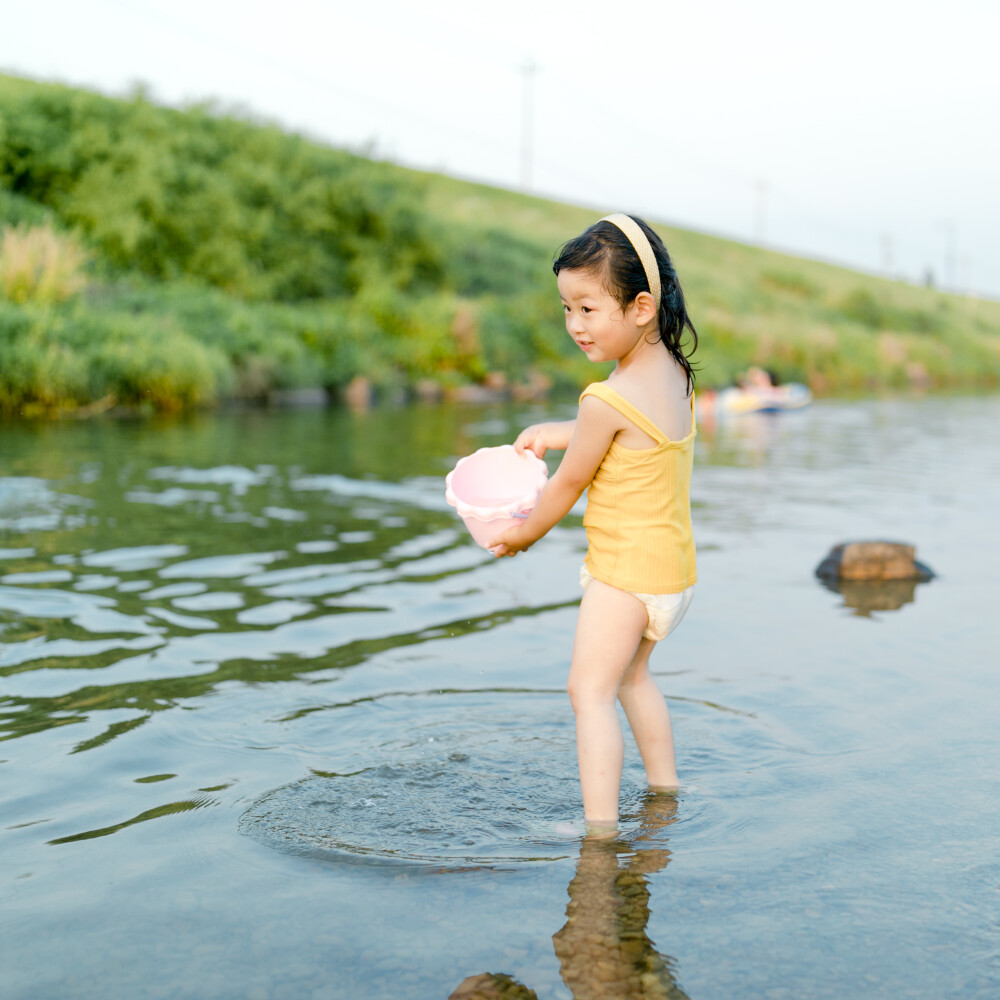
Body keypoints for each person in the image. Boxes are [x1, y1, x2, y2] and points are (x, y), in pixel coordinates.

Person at [489, 214, 698, 831]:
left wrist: (525, 534)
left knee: (588, 692)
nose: (574, 325)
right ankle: (665, 794)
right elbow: (624, 437)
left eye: (586, 308)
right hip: (672, 575)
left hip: (624, 578)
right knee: (633, 679)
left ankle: (600, 834)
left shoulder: (603, 399)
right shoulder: (675, 376)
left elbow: (570, 482)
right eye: (566, 308)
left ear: (639, 306)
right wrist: (560, 432)